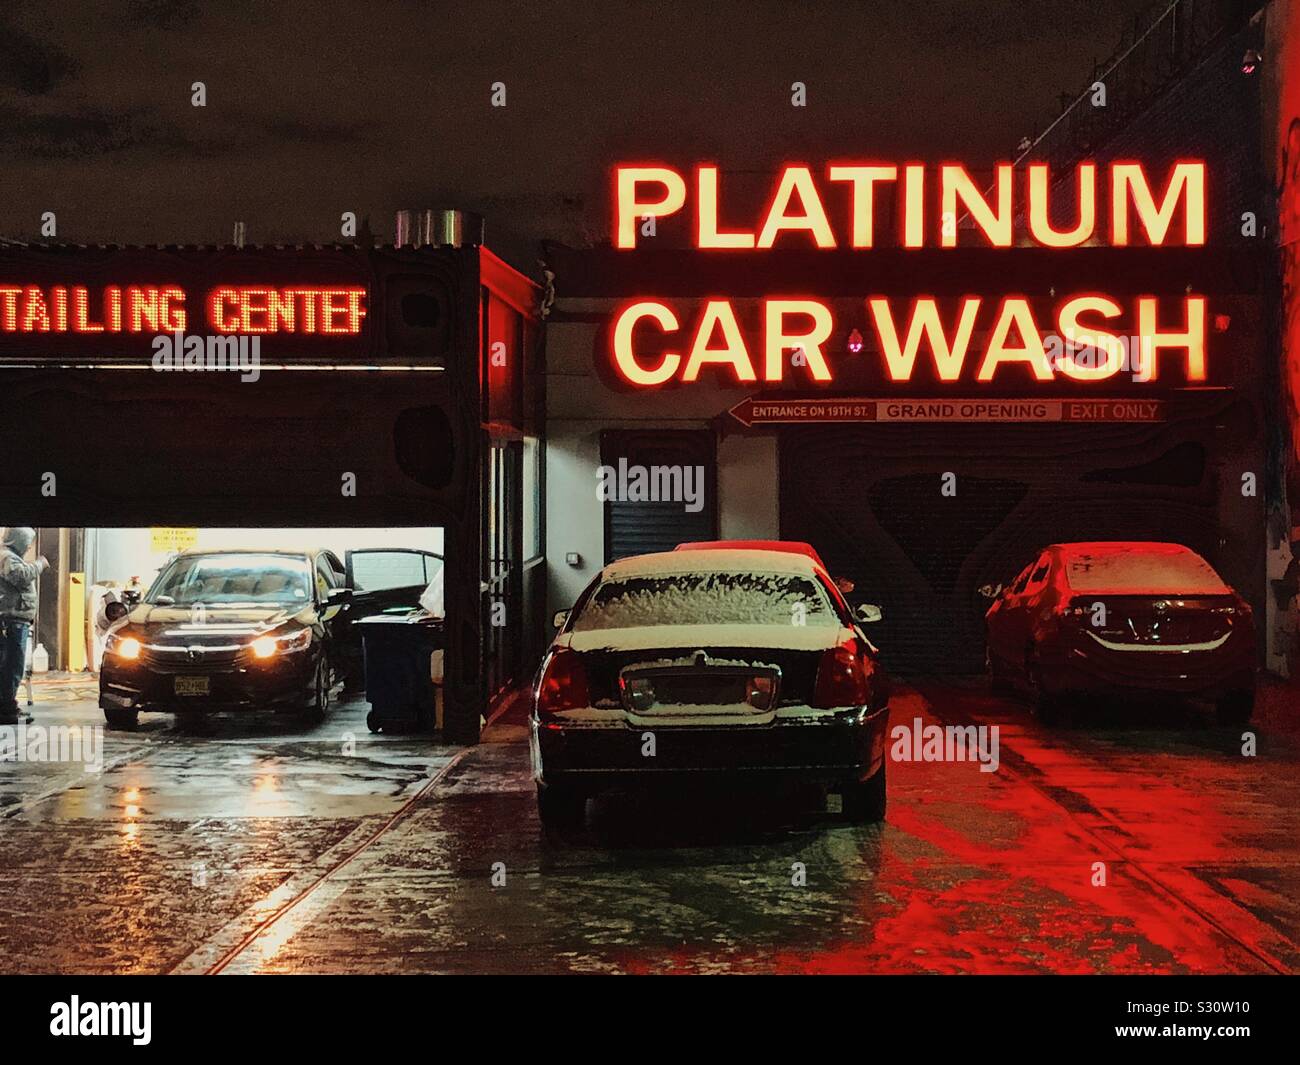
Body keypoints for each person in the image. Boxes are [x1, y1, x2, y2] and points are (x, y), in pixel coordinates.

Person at [0, 527, 49, 725]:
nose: (29, 547)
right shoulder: (7, 557)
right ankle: (6, 708)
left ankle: (7, 706)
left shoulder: (9, 556)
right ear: (18, 540)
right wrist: (39, 564)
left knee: (12, 665)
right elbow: (20, 576)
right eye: (27, 542)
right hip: (10, 622)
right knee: (11, 666)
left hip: (14, 622)